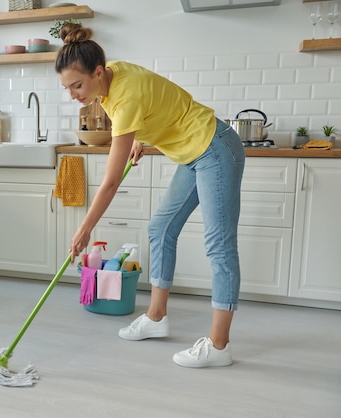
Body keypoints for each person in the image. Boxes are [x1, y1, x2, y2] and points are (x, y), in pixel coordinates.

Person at [56, 23, 245, 368]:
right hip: (193, 153)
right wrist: (140, 138)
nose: (73, 94)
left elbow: (111, 181)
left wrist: (83, 230)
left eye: (78, 85)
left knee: (219, 244)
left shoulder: (123, 98)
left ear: (98, 72)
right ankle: (156, 319)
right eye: (67, 87)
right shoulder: (116, 74)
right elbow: (158, 100)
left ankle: (220, 346)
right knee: (161, 228)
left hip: (215, 149)